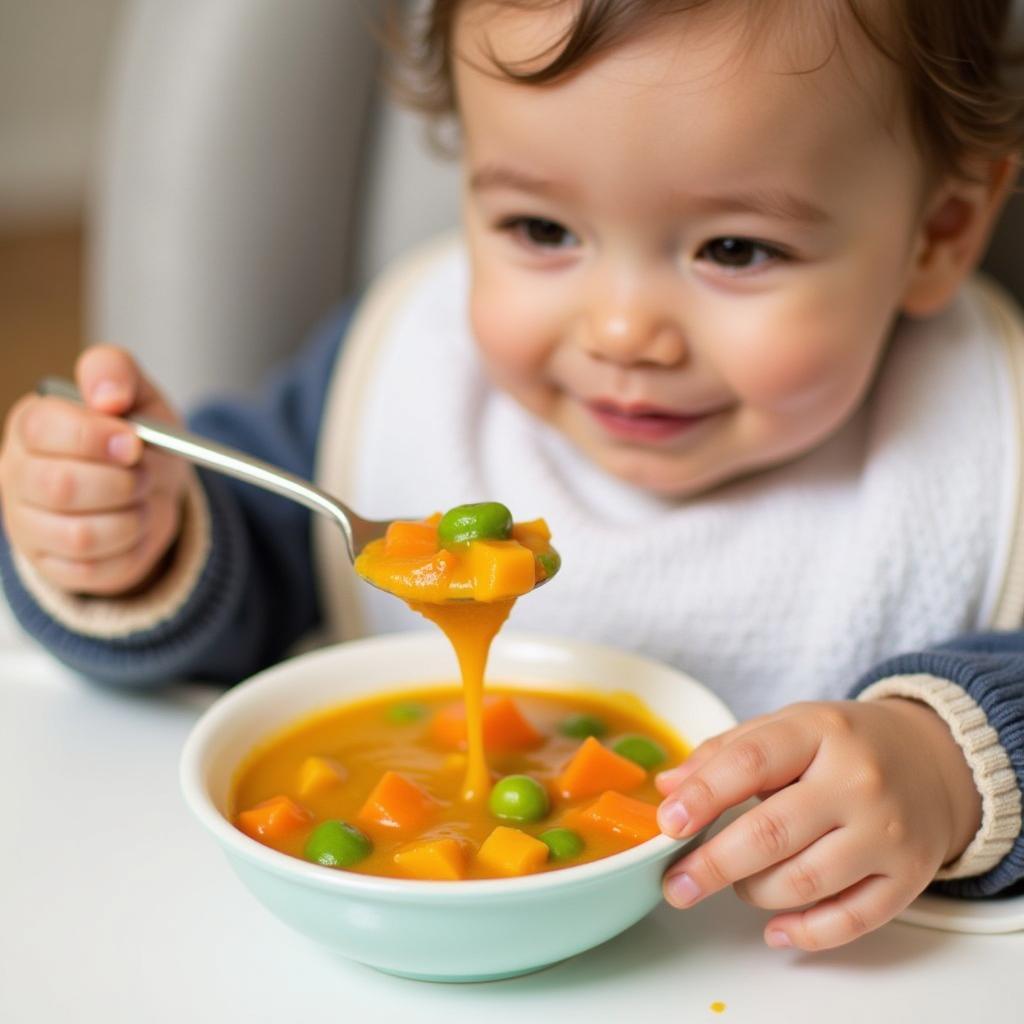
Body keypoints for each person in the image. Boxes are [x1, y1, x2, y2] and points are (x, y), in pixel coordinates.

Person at [2, 0, 1023, 951]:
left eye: (734, 247)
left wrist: (945, 770)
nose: (621, 331)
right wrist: (133, 543)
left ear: (937, 230)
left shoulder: (981, 440)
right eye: (542, 231)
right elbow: (245, 559)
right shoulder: (406, 371)